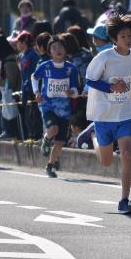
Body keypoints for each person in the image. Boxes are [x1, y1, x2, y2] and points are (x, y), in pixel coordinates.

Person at [85, 15, 131, 215]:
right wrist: (111, 86)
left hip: (126, 113)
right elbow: (90, 80)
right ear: (114, 40)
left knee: (126, 154)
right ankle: (93, 136)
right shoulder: (104, 57)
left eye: (130, 35)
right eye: (123, 36)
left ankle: (124, 200)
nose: (128, 39)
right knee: (106, 162)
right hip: (104, 115)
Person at [32, 35, 79, 177]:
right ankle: (46, 140)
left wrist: (71, 92)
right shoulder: (45, 66)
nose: (57, 50)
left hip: (64, 109)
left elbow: (76, 90)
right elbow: (34, 77)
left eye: (60, 47)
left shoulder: (71, 68)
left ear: (65, 50)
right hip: (48, 105)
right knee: (53, 129)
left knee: (59, 142)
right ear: (49, 51)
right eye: (54, 48)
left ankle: (50, 165)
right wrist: (36, 92)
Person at [0, 34, 22, 140]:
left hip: (14, 96)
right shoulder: (9, 59)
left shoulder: (10, 62)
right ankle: (5, 131)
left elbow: (10, 83)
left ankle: (10, 132)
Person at [16, 31, 41, 141]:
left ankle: (36, 137)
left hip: (32, 90)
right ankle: (31, 136)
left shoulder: (33, 56)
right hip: (26, 90)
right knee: (28, 117)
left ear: (24, 42)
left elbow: (31, 76)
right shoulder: (22, 56)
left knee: (34, 116)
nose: (17, 45)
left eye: (18, 42)